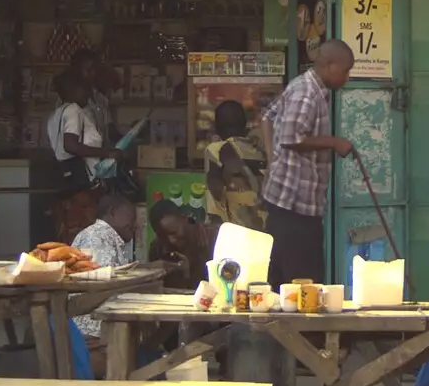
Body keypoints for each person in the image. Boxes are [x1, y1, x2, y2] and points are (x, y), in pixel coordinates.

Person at [261, 40, 355, 286]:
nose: (347, 78)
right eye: (345, 71)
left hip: (289, 203)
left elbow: (267, 117)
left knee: (282, 279)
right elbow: (292, 138)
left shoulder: (304, 87)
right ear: (330, 65)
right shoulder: (307, 93)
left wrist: (273, 161)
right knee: (304, 282)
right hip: (294, 205)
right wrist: (334, 142)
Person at [71, 193, 138, 341]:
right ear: (112, 212)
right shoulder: (98, 235)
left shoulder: (106, 236)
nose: (135, 225)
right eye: (132, 218)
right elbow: (105, 283)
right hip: (93, 332)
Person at [47, 72, 115, 193]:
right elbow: (70, 146)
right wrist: (107, 153)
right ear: (71, 90)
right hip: (82, 177)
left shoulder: (55, 115)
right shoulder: (74, 110)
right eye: (84, 89)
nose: (88, 94)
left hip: (64, 173)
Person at [204, 100, 267, 231]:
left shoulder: (216, 150)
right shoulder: (260, 151)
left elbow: (215, 197)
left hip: (233, 232)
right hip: (263, 229)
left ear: (217, 128)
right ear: (245, 124)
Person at [148, 198, 219, 291]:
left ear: (184, 218)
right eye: (163, 236)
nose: (171, 240)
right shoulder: (157, 248)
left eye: (173, 232)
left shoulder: (212, 238)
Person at [70, 48, 115, 145]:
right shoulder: (68, 99)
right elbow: (71, 144)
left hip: (100, 157)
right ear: (76, 71)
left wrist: (130, 136)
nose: (92, 74)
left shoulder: (100, 98)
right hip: (79, 159)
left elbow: (109, 129)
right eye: (88, 70)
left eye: (95, 69)